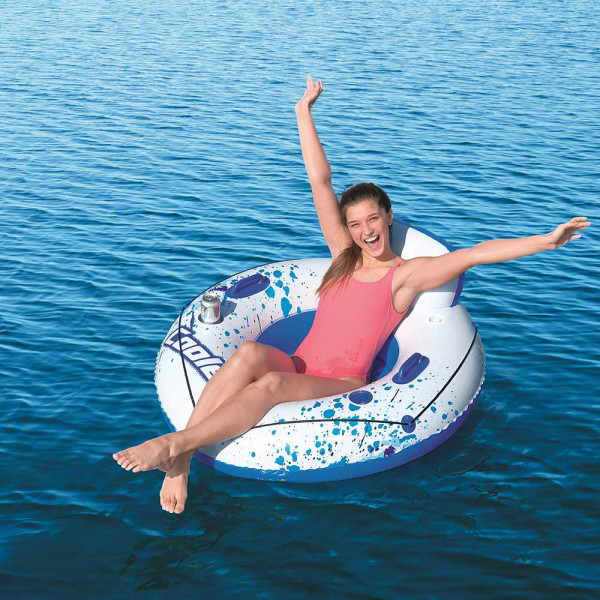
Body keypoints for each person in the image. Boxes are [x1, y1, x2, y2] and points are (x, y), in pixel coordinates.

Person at [113, 75, 590, 514]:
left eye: (373, 219)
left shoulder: (404, 277)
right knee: (250, 353)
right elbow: (320, 181)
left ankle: (175, 447)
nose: (366, 231)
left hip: (342, 382)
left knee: (270, 386)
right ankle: (180, 459)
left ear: (388, 217)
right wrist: (303, 112)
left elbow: (473, 255)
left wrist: (546, 242)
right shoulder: (343, 257)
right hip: (299, 363)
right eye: (356, 223)